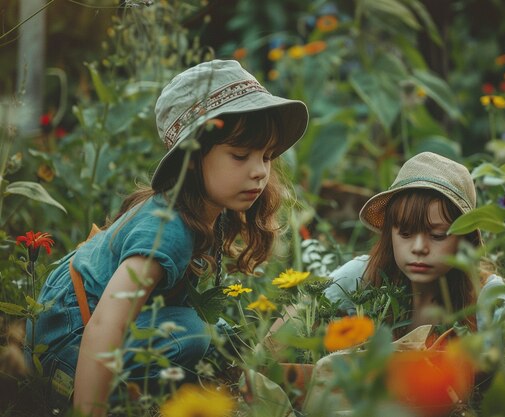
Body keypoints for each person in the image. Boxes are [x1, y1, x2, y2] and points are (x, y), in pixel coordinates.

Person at [26, 59, 309, 416]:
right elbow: (106, 321)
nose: (259, 172)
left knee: (220, 334)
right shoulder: (168, 227)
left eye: (266, 157)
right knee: (192, 333)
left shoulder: (205, 208)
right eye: (240, 156)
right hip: (66, 347)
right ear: (191, 160)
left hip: (87, 332)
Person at [324, 151, 505, 338]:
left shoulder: (489, 298)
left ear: (465, 240)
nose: (419, 247)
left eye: (437, 235)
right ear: (390, 234)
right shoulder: (364, 276)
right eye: (405, 233)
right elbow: (301, 310)